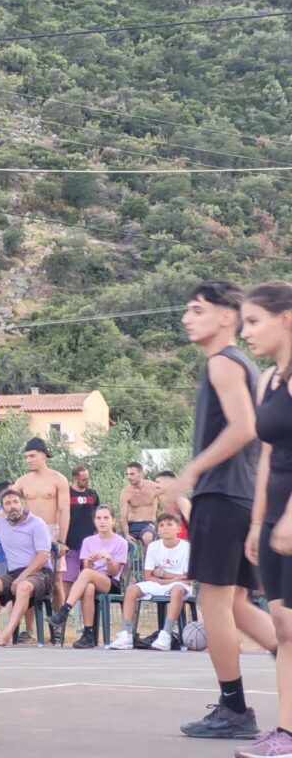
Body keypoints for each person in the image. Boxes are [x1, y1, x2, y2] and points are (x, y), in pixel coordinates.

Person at [165, 281, 277, 739]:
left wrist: (191, 472)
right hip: (242, 496)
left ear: (226, 316)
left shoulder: (222, 363)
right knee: (236, 603)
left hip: (221, 494)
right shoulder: (244, 365)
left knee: (213, 604)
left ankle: (234, 710)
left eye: (197, 310)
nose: (187, 318)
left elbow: (245, 428)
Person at [238, 281, 292, 757]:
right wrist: (259, 522)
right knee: (284, 629)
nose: (246, 332)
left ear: (286, 318)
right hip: (274, 516)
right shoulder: (268, 380)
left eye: (254, 321)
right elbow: (268, 456)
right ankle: (287, 733)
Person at [107, 513, 192, 651]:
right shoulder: (153, 546)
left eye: (169, 524)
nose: (165, 528)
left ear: (178, 529)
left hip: (179, 585)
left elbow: (188, 578)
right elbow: (148, 576)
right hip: (159, 583)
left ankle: (166, 634)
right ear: (158, 530)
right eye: (162, 525)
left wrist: (163, 574)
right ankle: (126, 634)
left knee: (177, 589)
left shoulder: (187, 547)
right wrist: (172, 578)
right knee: (131, 590)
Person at [48, 505, 127, 648]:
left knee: (86, 575)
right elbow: (87, 568)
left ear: (113, 521)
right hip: (91, 578)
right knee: (88, 588)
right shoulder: (88, 541)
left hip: (110, 582)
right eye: (98, 518)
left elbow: (114, 571)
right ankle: (88, 634)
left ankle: (65, 610)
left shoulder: (121, 542)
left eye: (106, 518)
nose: (102, 521)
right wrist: (90, 561)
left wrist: (109, 560)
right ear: (94, 521)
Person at [0, 488, 52, 646]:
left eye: (15, 502)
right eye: (7, 503)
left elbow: (43, 556)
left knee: (23, 586)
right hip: (14, 572)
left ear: (22, 504)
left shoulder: (36, 523)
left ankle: (6, 634)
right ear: (2, 508)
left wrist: (22, 578)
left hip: (40, 573)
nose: (12, 506)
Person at [14, 438, 70, 614]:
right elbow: (8, 504)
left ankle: (58, 623)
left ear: (43, 455)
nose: (28, 460)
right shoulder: (22, 481)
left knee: (57, 581)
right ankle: (30, 627)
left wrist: (62, 541)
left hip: (51, 531)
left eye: (32, 456)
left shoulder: (58, 479)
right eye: (26, 457)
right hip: (28, 533)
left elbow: (64, 510)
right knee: (27, 578)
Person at [64, 466, 100, 592]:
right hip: (71, 545)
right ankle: (65, 604)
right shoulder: (66, 494)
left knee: (90, 580)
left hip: (90, 546)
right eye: (84, 479)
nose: (87, 481)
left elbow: (98, 515)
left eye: (87, 478)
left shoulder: (93, 494)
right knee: (67, 580)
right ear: (75, 478)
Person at [120, 462, 158, 549]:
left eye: (132, 474)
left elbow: (166, 502)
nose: (129, 477)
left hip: (148, 523)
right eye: (127, 474)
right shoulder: (126, 492)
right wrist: (126, 535)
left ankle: (147, 558)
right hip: (131, 524)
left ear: (141, 474)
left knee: (147, 538)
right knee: (120, 541)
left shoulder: (153, 487)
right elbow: (123, 516)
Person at [154, 471, 191, 540]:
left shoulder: (181, 501)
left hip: (186, 543)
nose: (155, 485)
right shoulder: (163, 506)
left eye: (158, 482)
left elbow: (194, 524)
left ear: (169, 483)